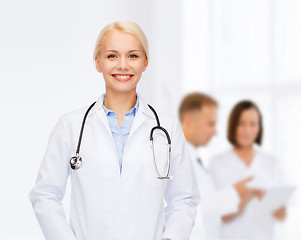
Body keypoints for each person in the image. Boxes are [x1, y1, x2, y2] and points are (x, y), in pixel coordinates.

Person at [29, 20, 200, 240]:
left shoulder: (167, 128)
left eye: (133, 56)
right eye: (112, 56)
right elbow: (45, 195)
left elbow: (184, 199)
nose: (123, 65)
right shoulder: (71, 126)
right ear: (98, 63)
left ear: (145, 62)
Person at [179, 93, 253, 239]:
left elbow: (208, 209)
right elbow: (183, 212)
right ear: (188, 122)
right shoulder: (173, 160)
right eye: (210, 124)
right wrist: (233, 194)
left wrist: (237, 201)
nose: (215, 132)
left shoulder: (196, 159)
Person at [209, 100, 286, 239]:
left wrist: (257, 196)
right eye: (241, 124)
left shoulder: (272, 163)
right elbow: (223, 215)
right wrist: (251, 192)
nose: (247, 130)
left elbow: (281, 214)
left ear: (259, 127)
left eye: (253, 124)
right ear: (233, 126)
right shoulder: (218, 163)